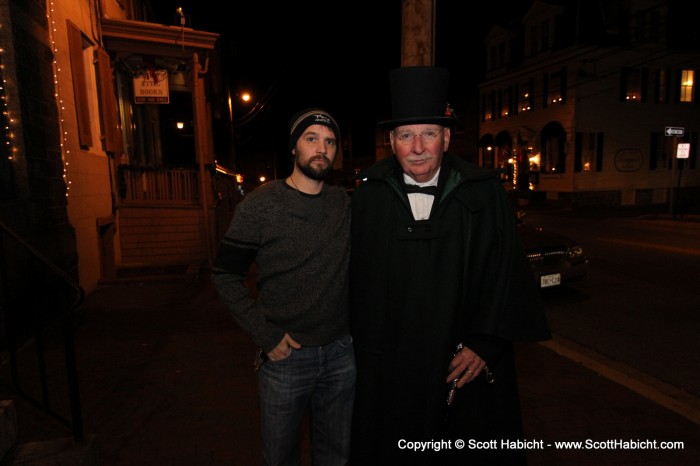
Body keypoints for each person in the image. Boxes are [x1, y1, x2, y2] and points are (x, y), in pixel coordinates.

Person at [349, 66, 551, 465]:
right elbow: (353, 281)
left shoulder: (483, 192)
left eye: (428, 134)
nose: (418, 146)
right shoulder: (368, 198)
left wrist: (486, 344)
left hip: (464, 363)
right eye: (406, 135)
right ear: (391, 142)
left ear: (446, 136)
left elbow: (506, 271)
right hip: (395, 368)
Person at [212, 108, 356, 466]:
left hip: (341, 355)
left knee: (337, 457)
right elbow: (224, 274)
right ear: (294, 148)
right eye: (311, 139)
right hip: (286, 358)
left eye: (330, 142)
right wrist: (265, 335)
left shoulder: (345, 204)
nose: (321, 148)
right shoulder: (260, 205)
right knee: (279, 457)